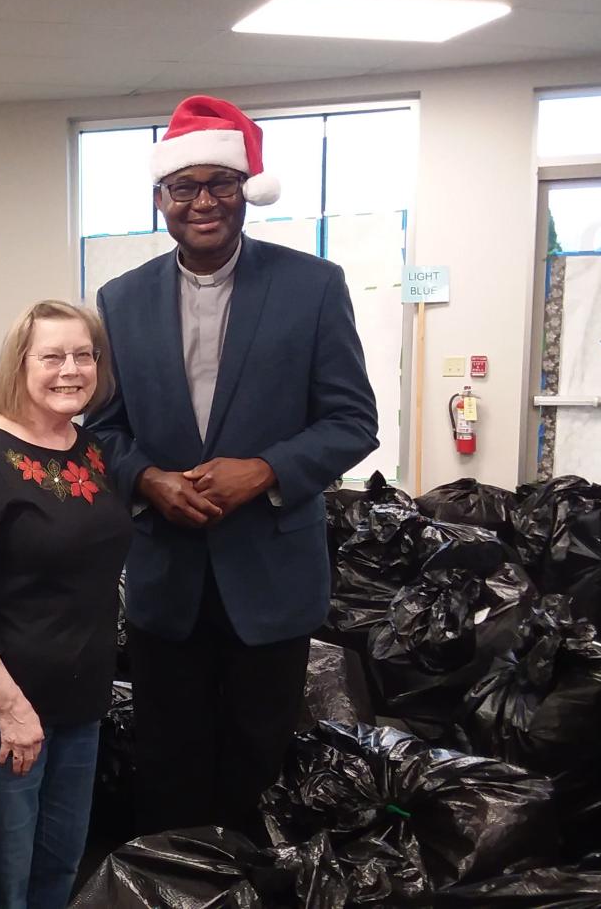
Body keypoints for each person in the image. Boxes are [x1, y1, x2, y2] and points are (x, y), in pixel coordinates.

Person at [87, 94, 378, 835]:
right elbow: (106, 429)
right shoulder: (120, 300)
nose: (203, 201)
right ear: (161, 200)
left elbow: (352, 420)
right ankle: (180, 878)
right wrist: (148, 480)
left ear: (246, 187)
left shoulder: (312, 286)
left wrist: (268, 471)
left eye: (220, 182)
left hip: (271, 574)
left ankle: (254, 880)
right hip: (166, 575)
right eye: (184, 187)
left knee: (258, 755)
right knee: (168, 756)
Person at [0, 301, 132, 909]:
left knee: (59, 865)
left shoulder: (90, 450)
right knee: (5, 877)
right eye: (52, 356)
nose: (70, 369)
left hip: (82, 698)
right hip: (7, 707)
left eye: (84, 355)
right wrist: (13, 709)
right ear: (20, 365)